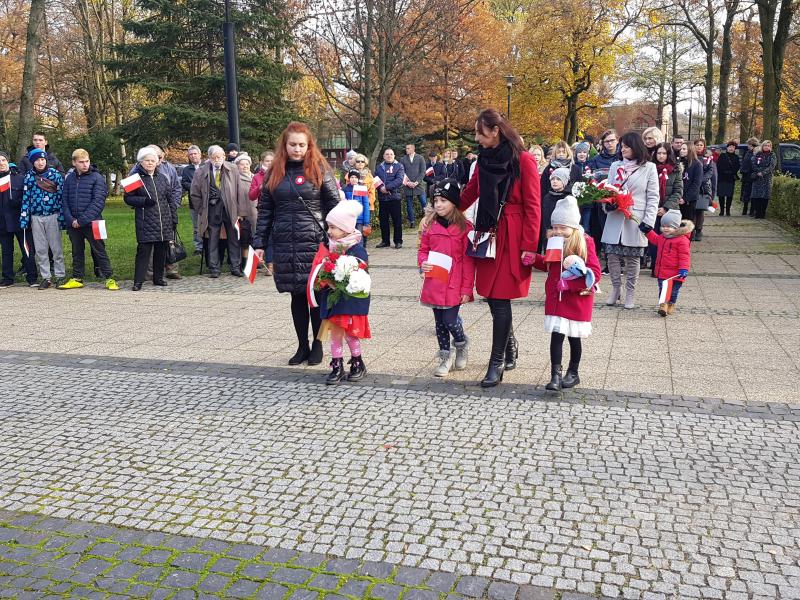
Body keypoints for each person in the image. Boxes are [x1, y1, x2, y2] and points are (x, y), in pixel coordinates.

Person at [460, 108, 541, 388]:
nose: (476, 138)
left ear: (495, 131)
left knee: (501, 296)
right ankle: (510, 344)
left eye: (479, 133)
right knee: (492, 296)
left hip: (513, 234)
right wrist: (444, 209)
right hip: (487, 230)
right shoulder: (483, 159)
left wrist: (530, 246)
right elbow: (472, 191)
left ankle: (496, 362)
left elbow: (533, 206)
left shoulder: (524, 160)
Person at [252, 122, 340, 366]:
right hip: (285, 243)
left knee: (316, 295)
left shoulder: (320, 168)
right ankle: (302, 345)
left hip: (314, 242)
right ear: (285, 144)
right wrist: (259, 242)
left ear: (309, 145)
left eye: (302, 144)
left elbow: (334, 206)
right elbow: (265, 211)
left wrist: (341, 240)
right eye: (293, 144)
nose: (297, 149)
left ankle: (318, 344)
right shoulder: (274, 172)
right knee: (296, 296)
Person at [533, 196, 600, 391]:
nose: (559, 231)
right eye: (556, 227)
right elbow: (549, 265)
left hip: (576, 298)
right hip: (557, 298)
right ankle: (555, 374)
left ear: (573, 226)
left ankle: (573, 372)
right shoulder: (554, 241)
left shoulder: (585, 242)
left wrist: (570, 286)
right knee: (557, 336)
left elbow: (594, 273)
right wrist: (535, 259)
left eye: (563, 227)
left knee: (574, 337)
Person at [418, 178, 475, 377]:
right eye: (436, 200)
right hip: (435, 281)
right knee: (439, 322)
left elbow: (469, 261)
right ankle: (445, 357)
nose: (439, 204)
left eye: (443, 200)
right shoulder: (429, 225)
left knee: (450, 320)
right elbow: (423, 249)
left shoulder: (465, 227)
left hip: (454, 283)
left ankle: (461, 343)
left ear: (454, 202)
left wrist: (467, 289)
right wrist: (422, 263)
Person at [316, 200, 371, 384]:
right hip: (333, 300)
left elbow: (360, 276)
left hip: (349, 300)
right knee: (335, 333)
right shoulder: (330, 247)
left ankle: (357, 361)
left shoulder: (357, 249)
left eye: (333, 227)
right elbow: (323, 269)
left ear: (346, 228)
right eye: (328, 227)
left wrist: (340, 278)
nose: (329, 231)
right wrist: (324, 278)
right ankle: (336, 364)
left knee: (351, 333)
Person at [602, 131, 658, 309]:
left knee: (633, 257)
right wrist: (608, 205)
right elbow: (608, 191)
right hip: (615, 216)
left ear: (635, 147)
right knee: (612, 255)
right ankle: (616, 289)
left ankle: (630, 292)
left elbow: (653, 196)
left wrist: (648, 220)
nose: (623, 149)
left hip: (636, 217)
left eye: (627, 146)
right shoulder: (615, 166)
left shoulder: (649, 167)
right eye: (622, 146)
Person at [58, 149, 118, 290]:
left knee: (99, 250)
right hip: (73, 223)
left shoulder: (97, 178)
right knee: (77, 251)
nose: (85, 165)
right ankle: (77, 278)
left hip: (94, 222)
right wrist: (71, 219)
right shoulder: (69, 178)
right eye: (81, 162)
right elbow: (64, 200)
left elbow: (98, 203)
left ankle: (109, 278)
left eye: (87, 161)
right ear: (74, 163)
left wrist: (81, 220)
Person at [124, 147, 177, 291]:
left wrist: (174, 217)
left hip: (163, 220)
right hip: (145, 220)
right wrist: (144, 201)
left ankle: (158, 278)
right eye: (147, 160)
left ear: (157, 162)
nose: (150, 163)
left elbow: (170, 198)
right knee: (143, 252)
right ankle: (138, 281)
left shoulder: (163, 178)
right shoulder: (134, 178)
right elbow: (128, 198)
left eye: (153, 160)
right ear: (141, 162)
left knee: (161, 251)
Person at [190, 145, 246, 278]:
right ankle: (214, 268)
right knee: (212, 239)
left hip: (230, 208)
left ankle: (235, 266)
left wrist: (240, 211)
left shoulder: (232, 168)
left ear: (224, 156)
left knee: (233, 238)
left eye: (219, 157)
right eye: (214, 157)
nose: (217, 159)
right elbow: (194, 193)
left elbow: (239, 190)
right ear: (209, 158)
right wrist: (201, 210)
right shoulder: (201, 171)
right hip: (211, 209)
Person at [20, 148, 65, 289]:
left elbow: (62, 195)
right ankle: (46, 277)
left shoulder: (55, 175)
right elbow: (26, 199)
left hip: (53, 215)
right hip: (36, 216)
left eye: (43, 159)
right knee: (40, 249)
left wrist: (62, 216)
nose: (40, 162)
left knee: (56, 248)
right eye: (37, 160)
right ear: (33, 162)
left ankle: (60, 275)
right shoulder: (29, 177)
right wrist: (24, 219)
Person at [638, 209, 692, 317]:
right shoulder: (663, 237)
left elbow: (684, 256)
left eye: (669, 226)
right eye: (663, 226)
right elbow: (655, 239)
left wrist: (684, 269)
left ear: (676, 227)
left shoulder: (682, 240)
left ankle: (671, 303)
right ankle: (663, 305)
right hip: (663, 271)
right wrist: (648, 231)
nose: (665, 229)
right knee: (663, 290)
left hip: (676, 273)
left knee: (673, 291)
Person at [0, 152, 37, 287]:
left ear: (8, 162)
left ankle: (32, 277)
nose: (1, 163)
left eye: (3, 160)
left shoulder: (19, 178)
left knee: (27, 250)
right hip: (3, 222)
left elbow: (28, 199)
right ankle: (8, 278)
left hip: (20, 222)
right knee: (6, 251)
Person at [647, 143, 683, 275]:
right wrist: (654, 207)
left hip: (669, 211)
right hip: (653, 209)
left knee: (668, 239)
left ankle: (665, 267)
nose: (661, 156)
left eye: (664, 153)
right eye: (659, 153)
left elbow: (678, 191)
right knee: (654, 240)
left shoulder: (675, 169)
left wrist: (666, 207)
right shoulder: (650, 168)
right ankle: (655, 267)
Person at [249, 151, 275, 275]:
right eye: (267, 161)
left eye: (271, 161)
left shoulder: (280, 174)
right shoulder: (257, 177)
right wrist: (260, 187)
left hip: (280, 210)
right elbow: (251, 196)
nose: (269, 164)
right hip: (264, 210)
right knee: (268, 237)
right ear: (262, 162)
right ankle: (270, 265)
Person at [374, 148, 406, 249]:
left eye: (391, 154)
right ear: (384, 156)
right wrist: (380, 188)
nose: (389, 156)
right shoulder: (379, 167)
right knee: (383, 221)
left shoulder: (399, 166)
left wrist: (386, 188)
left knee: (396, 220)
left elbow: (399, 180)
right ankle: (385, 241)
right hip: (383, 198)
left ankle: (398, 241)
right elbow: (375, 179)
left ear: (394, 156)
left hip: (394, 197)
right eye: (387, 154)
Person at [539, 167, 570, 253]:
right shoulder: (547, 197)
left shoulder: (569, 198)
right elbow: (545, 216)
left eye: (558, 179)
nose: (554, 181)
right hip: (550, 233)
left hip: (565, 233)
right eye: (553, 179)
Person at [692, 139, 717, 241]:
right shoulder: (691, 157)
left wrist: (701, 179)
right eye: (697, 145)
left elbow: (710, 171)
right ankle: (691, 230)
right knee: (692, 209)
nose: (699, 147)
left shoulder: (708, 159)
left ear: (704, 146)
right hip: (692, 186)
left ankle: (699, 230)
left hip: (703, 187)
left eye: (701, 145)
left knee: (700, 209)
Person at [181, 145, 204, 254]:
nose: (193, 156)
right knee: (196, 226)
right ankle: (199, 247)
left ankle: (210, 245)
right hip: (194, 202)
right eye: (191, 154)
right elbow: (184, 183)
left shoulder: (207, 166)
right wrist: (195, 187)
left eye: (195, 153)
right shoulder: (186, 170)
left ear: (200, 154)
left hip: (209, 201)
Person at [399, 143, 427, 228]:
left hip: (418, 185)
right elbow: (401, 172)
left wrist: (416, 182)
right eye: (406, 148)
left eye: (408, 148)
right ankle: (412, 222)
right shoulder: (403, 159)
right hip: (407, 185)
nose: (406, 149)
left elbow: (423, 171)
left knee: (424, 203)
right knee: (409, 204)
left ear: (413, 149)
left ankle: (429, 219)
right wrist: (407, 183)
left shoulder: (420, 158)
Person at [235, 153, 256, 262]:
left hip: (257, 213)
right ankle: (245, 262)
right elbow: (233, 198)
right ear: (237, 166)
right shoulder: (236, 179)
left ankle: (256, 261)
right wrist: (238, 213)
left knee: (256, 238)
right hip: (243, 215)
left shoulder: (255, 177)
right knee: (245, 241)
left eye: (247, 164)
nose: (245, 166)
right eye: (242, 164)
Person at [342, 170, 372, 246]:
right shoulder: (345, 189)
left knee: (359, 237)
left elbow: (365, 205)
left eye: (356, 177)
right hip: (349, 218)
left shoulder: (362, 188)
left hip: (359, 219)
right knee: (350, 237)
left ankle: (360, 251)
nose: (354, 179)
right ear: (349, 179)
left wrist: (366, 221)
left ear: (358, 179)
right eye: (352, 177)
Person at [750, 140, 776, 219]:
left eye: (768, 146)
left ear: (770, 147)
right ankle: (757, 213)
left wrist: (763, 172)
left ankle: (762, 214)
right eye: (765, 145)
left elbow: (771, 166)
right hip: (757, 178)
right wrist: (758, 172)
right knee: (757, 196)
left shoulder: (772, 155)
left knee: (765, 196)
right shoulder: (758, 154)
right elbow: (753, 164)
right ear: (762, 146)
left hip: (766, 178)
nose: (766, 147)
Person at [678, 142, 703, 225]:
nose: (681, 151)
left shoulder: (697, 164)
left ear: (690, 150)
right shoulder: (678, 162)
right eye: (681, 149)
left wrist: (685, 198)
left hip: (689, 200)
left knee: (687, 223)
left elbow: (696, 184)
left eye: (684, 149)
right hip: (677, 198)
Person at [716, 141, 740, 217]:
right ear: (727, 148)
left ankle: (728, 210)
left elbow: (737, 166)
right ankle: (722, 210)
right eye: (730, 147)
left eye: (733, 147)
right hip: (722, 178)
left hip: (730, 178)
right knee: (721, 195)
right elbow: (718, 165)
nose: (731, 148)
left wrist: (731, 171)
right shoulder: (722, 155)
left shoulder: (736, 157)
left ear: (735, 149)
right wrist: (724, 171)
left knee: (729, 195)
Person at [739, 137, 759, 216]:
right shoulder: (747, 152)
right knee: (746, 193)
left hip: (751, 176)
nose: (748, 146)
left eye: (749, 145)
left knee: (752, 193)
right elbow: (744, 163)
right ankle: (745, 209)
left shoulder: (756, 153)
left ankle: (752, 210)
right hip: (746, 175)